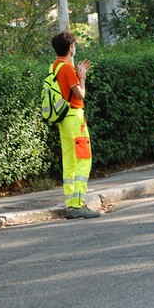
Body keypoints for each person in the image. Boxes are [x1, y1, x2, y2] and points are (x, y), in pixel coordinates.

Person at [51, 30, 99, 219]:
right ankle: (79, 204)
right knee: (82, 160)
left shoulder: (54, 66)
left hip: (64, 120)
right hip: (75, 118)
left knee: (69, 162)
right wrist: (82, 77)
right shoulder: (66, 68)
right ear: (71, 47)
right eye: (74, 45)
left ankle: (71, 204)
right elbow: (80, 95)